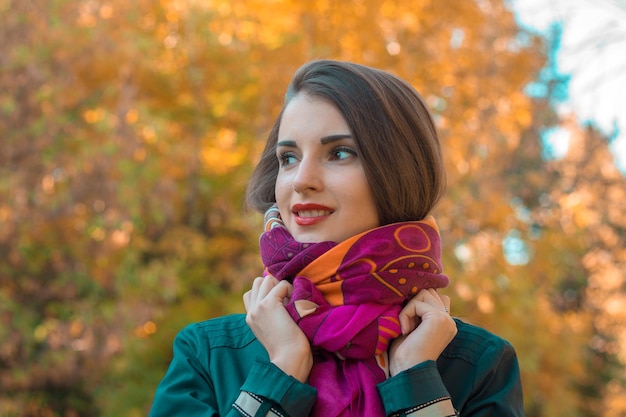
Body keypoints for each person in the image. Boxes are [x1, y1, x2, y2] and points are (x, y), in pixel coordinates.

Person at [149, 60, 524, 417]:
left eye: (339, 153)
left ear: (399, 174)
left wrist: (417, 381)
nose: (301, 179)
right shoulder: (209, 354)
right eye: (289, 158)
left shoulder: (480, 364)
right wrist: (279, 373)